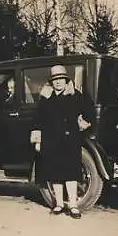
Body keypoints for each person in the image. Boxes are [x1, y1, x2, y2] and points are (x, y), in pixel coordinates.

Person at [31, 65, 95, 219]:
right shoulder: (45, 98)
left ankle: (73, 205)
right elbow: (38, 120)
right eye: (55, 80)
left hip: (70, 140)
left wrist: (83, 123)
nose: (58, 82)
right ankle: (59, 204)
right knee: (55, 174)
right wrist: (38, 140)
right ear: (51, 82)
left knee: (71, 173)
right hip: (51, 140)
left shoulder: (76, 96)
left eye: (60, 79)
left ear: (66, 80)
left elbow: (89, 112)